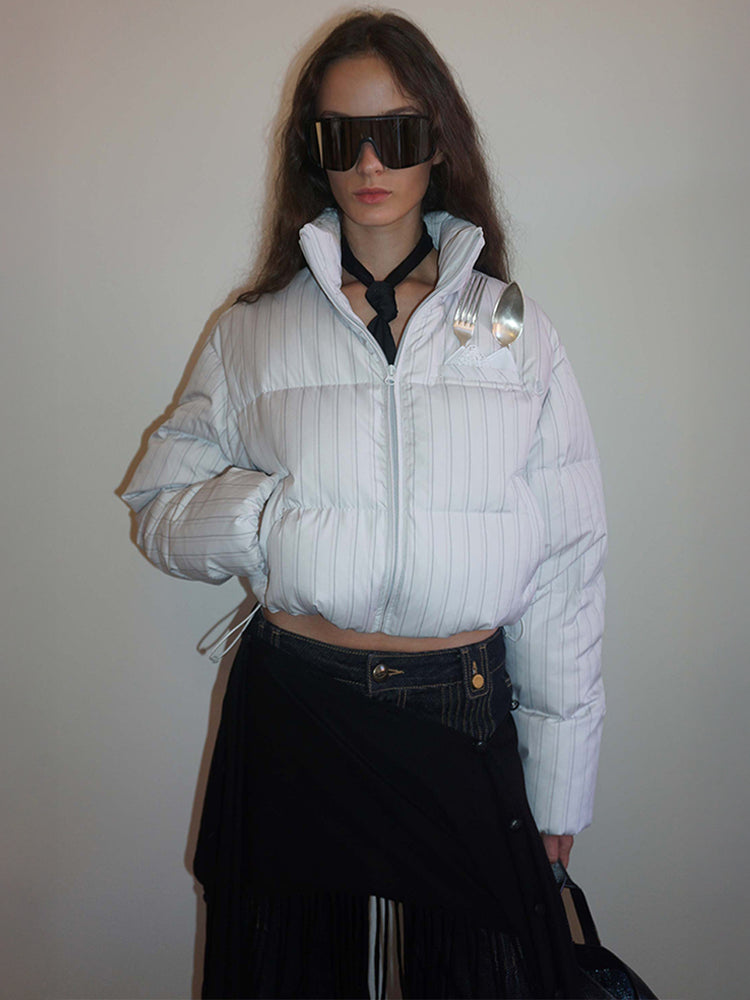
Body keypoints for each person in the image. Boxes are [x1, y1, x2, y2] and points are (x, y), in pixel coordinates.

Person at [121, 10, 607, 999]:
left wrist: (561, 781)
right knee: (284, 977)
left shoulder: (513, 331)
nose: (371, 161)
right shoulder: (253, 331)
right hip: (298, 707)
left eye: (398, 131)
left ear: (441, 143)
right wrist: (268, 520)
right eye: (342, 136)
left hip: (462, 709)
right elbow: (157, 507)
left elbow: (568, 562)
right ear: (314, 151)